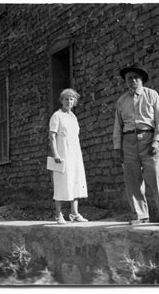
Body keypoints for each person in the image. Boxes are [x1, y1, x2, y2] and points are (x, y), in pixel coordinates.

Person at [113, 63, 159, 226]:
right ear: (126, 81)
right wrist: (118, 147)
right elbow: (118, 125)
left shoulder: (151, 95)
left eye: (136, 78)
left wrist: (157, 140)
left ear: (142, 80)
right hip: (128, 141)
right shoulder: (122, 101)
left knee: (158, 176)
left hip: (149, 138)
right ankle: (140, 215)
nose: (132, 81)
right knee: (132, 179)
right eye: (129, 78)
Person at [49, 88, 89, 224]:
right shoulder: (57, 115)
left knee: (76, 181)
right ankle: (58, 214)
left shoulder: (73, 117)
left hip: (75, 154)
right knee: (61, 182)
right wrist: (55, 154)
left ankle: (74, 213)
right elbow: (52, 136)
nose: (69, 101)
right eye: (66, 99)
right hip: (62, 153)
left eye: (71, 99)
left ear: (74, 102)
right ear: (61, 101)